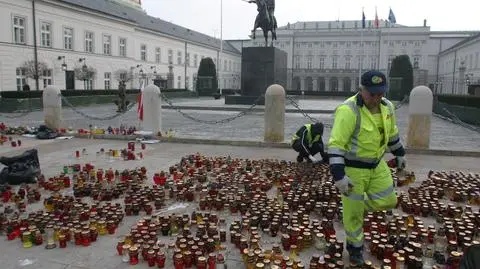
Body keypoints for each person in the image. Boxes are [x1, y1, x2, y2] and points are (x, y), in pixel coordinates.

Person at [327, 70, 406, 267]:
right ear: (361, 90)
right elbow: (336, 146)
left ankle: (351, 208)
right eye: (372, 94)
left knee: (389, 200)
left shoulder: (387, 107)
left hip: (377, 165)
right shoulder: (348, 110)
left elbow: (392, 133)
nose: (377, 98)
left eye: (380, 93)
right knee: (353, 218)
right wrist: (339, 177)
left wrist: (399, 153)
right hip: (354, 170)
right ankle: (355, 250)